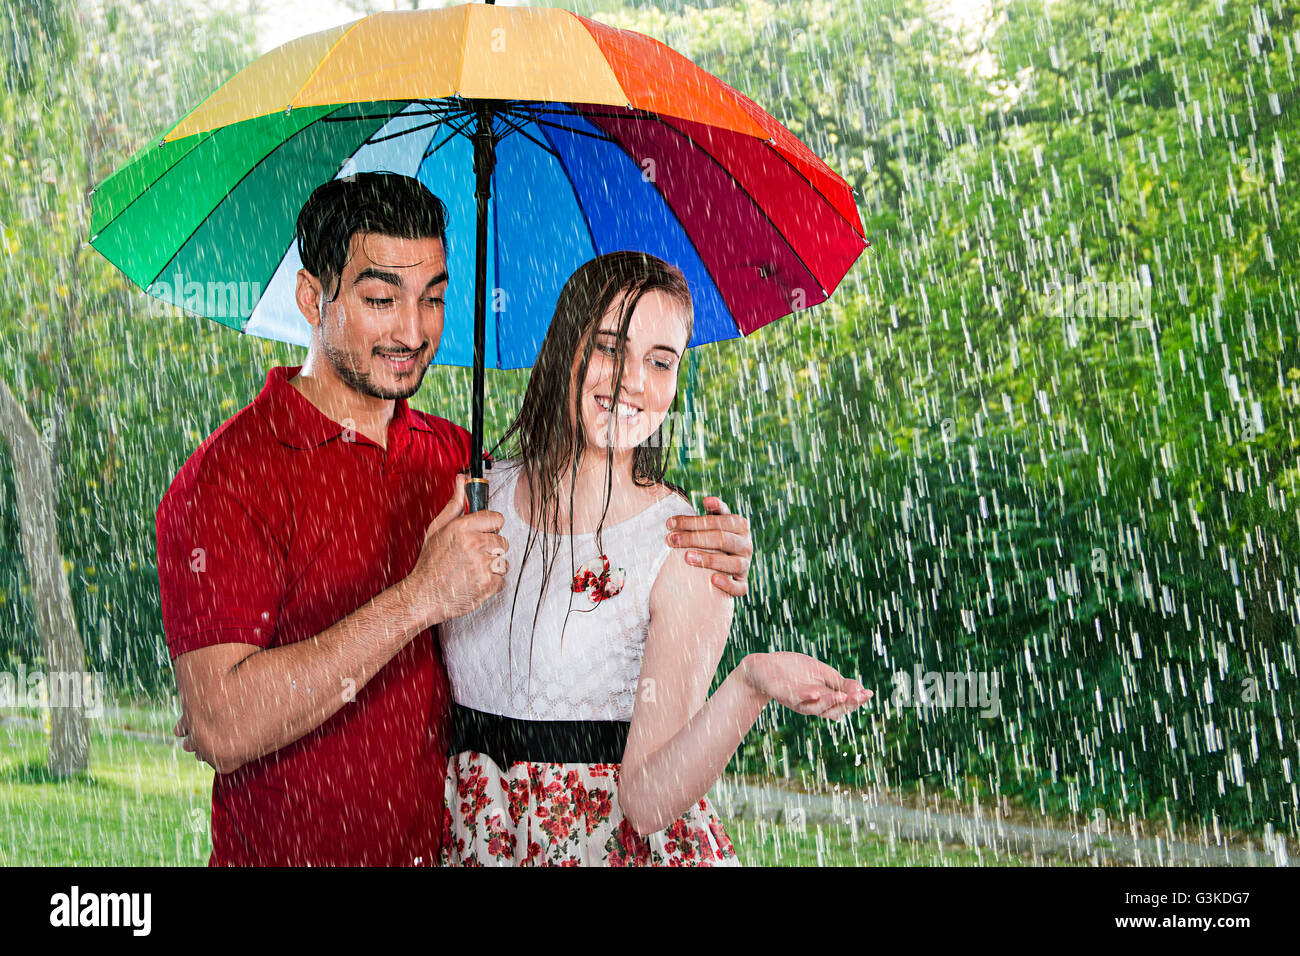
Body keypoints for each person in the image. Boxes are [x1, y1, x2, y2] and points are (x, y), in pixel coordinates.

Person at [156, 173, 755, 866]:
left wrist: (712, 544)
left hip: (448, 849)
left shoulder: (458, 464)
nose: (412, 331)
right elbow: (222, 725)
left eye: (432, 298)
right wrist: (419, 598)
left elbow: (584, 507)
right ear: (310, 298)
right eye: (381, 298)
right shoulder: (228, 479)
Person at [438, 251, 871, 866]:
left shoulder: (685, 548)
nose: (632, 381)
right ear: (568, 346)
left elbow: (645, 802)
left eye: (660, 361)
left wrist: (749, 684)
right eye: (610, 347)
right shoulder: (474, 498)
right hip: (475, 837)